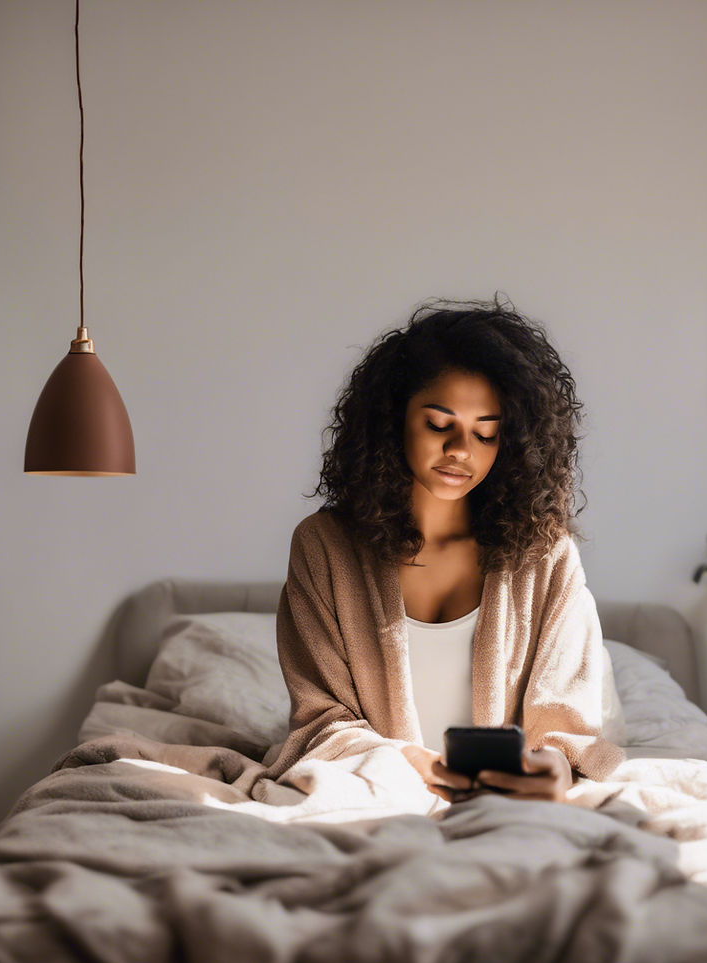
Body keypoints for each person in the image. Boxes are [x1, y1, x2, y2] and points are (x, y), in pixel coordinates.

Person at [267, 297, 624, 807]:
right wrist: (413, 765)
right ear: (393, 419)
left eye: (486, 433)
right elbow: (320, 718)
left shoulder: (545, 556)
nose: (462, 450)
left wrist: (551, 770)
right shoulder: (324, 547)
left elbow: (566, 725)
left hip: (508, 804)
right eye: (440, 425)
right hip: (373, 793)